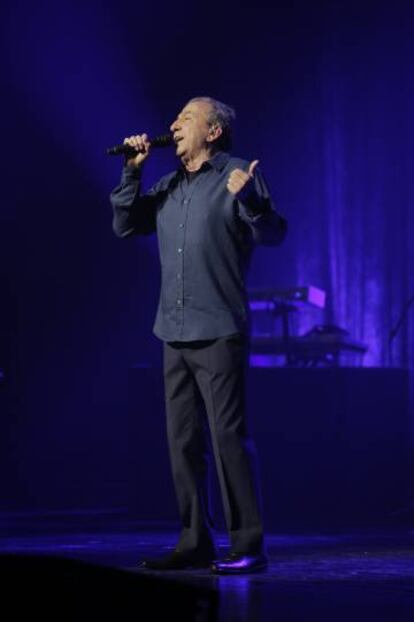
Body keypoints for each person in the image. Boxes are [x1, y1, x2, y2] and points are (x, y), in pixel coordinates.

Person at [110, 96, 287, 574]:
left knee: (228, 437)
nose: (174, 124)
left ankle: (248, 543)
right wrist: (132, 172)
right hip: (173, 329)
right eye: (176, 118)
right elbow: (126, 226)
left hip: (219, 329)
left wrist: (249, 200)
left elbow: (273, 233)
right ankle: (195, 540)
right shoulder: (168, 186)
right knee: (182, 440)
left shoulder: (237, 175)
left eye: (186, 118)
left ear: (212, 132)